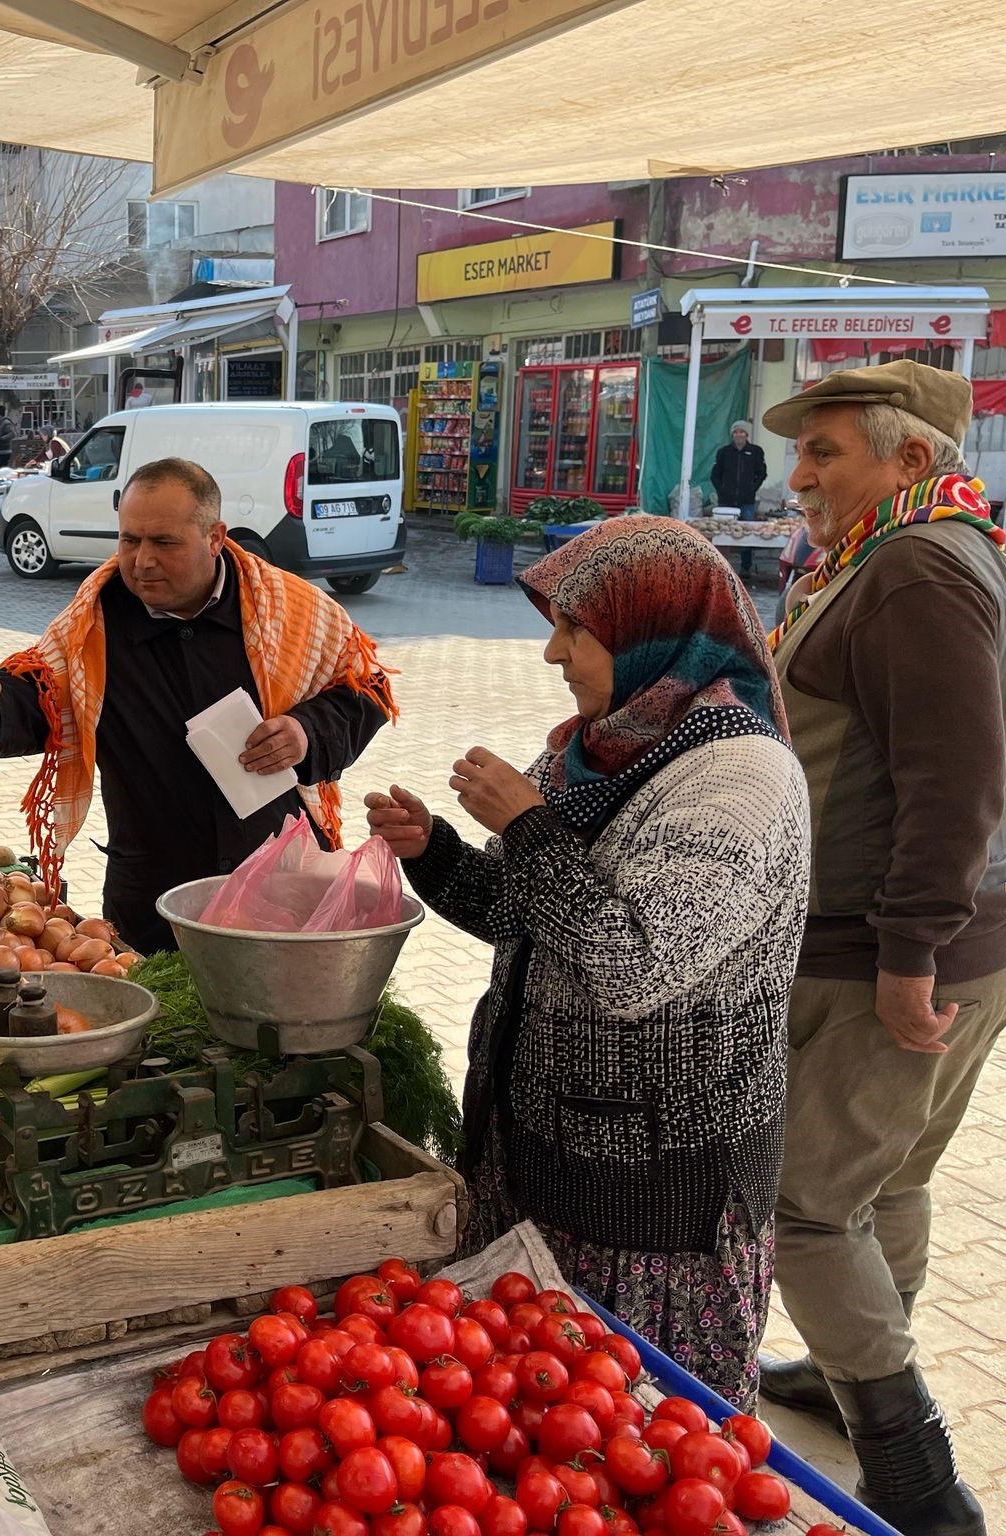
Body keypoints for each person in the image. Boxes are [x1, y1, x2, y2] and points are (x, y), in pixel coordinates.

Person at [366, 517, 807, 1407]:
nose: (553, 654)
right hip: (539, 1157)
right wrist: (438, 853)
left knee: (646, 1433)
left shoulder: (740, 777)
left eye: (578, 630)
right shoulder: (596, 748)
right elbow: (518, 911)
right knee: (534, 1426)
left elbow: (636, 966)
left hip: (656, 1202)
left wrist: (527, 826)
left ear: (656, 634)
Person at [756, 361, 1006, 1536]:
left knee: (807, 1207)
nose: (798, 474)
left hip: (891, 949)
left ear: (907, 458)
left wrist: (910, 947)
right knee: (890, 1179)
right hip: (952, 931)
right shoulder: (929, 547)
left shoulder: (914, 566)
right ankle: (843, 1365)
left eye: (824, 451)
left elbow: (954, 772)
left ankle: (914, 1474)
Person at [0, 457, 394, 954]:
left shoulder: (290, 608)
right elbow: (40, 696)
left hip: (279, 876)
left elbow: (365, 690)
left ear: (215, 537)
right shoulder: (94, 623)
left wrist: (307, 732)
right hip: (154, 894)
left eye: (164, 542)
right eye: (129, 540)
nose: (141, 560)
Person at [713, 421, 771, 579]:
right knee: (723, 533)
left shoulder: (755, 452)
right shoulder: (724, 452)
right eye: (736, 432)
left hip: (747, 501)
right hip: (726, 502)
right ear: (732, 434)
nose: (739, 434)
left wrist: (752, 488)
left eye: (742, 432)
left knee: (746, 534)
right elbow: (715, 475)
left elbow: (762, 473)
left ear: (747, 434)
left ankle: (746, 567)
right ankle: (720, 564)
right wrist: (722, 490)